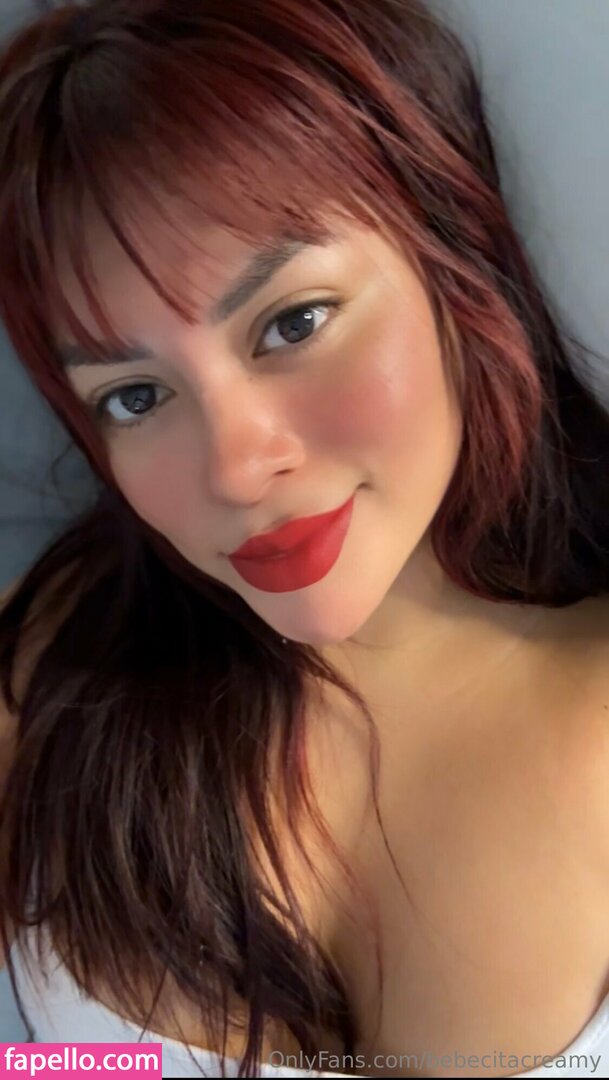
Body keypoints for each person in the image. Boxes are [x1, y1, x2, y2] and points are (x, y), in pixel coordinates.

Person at [0, 0, 608, 1076]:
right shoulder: (47, 668)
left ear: (453, 260)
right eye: (136, 396)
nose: (236, 469)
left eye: (293, 323)